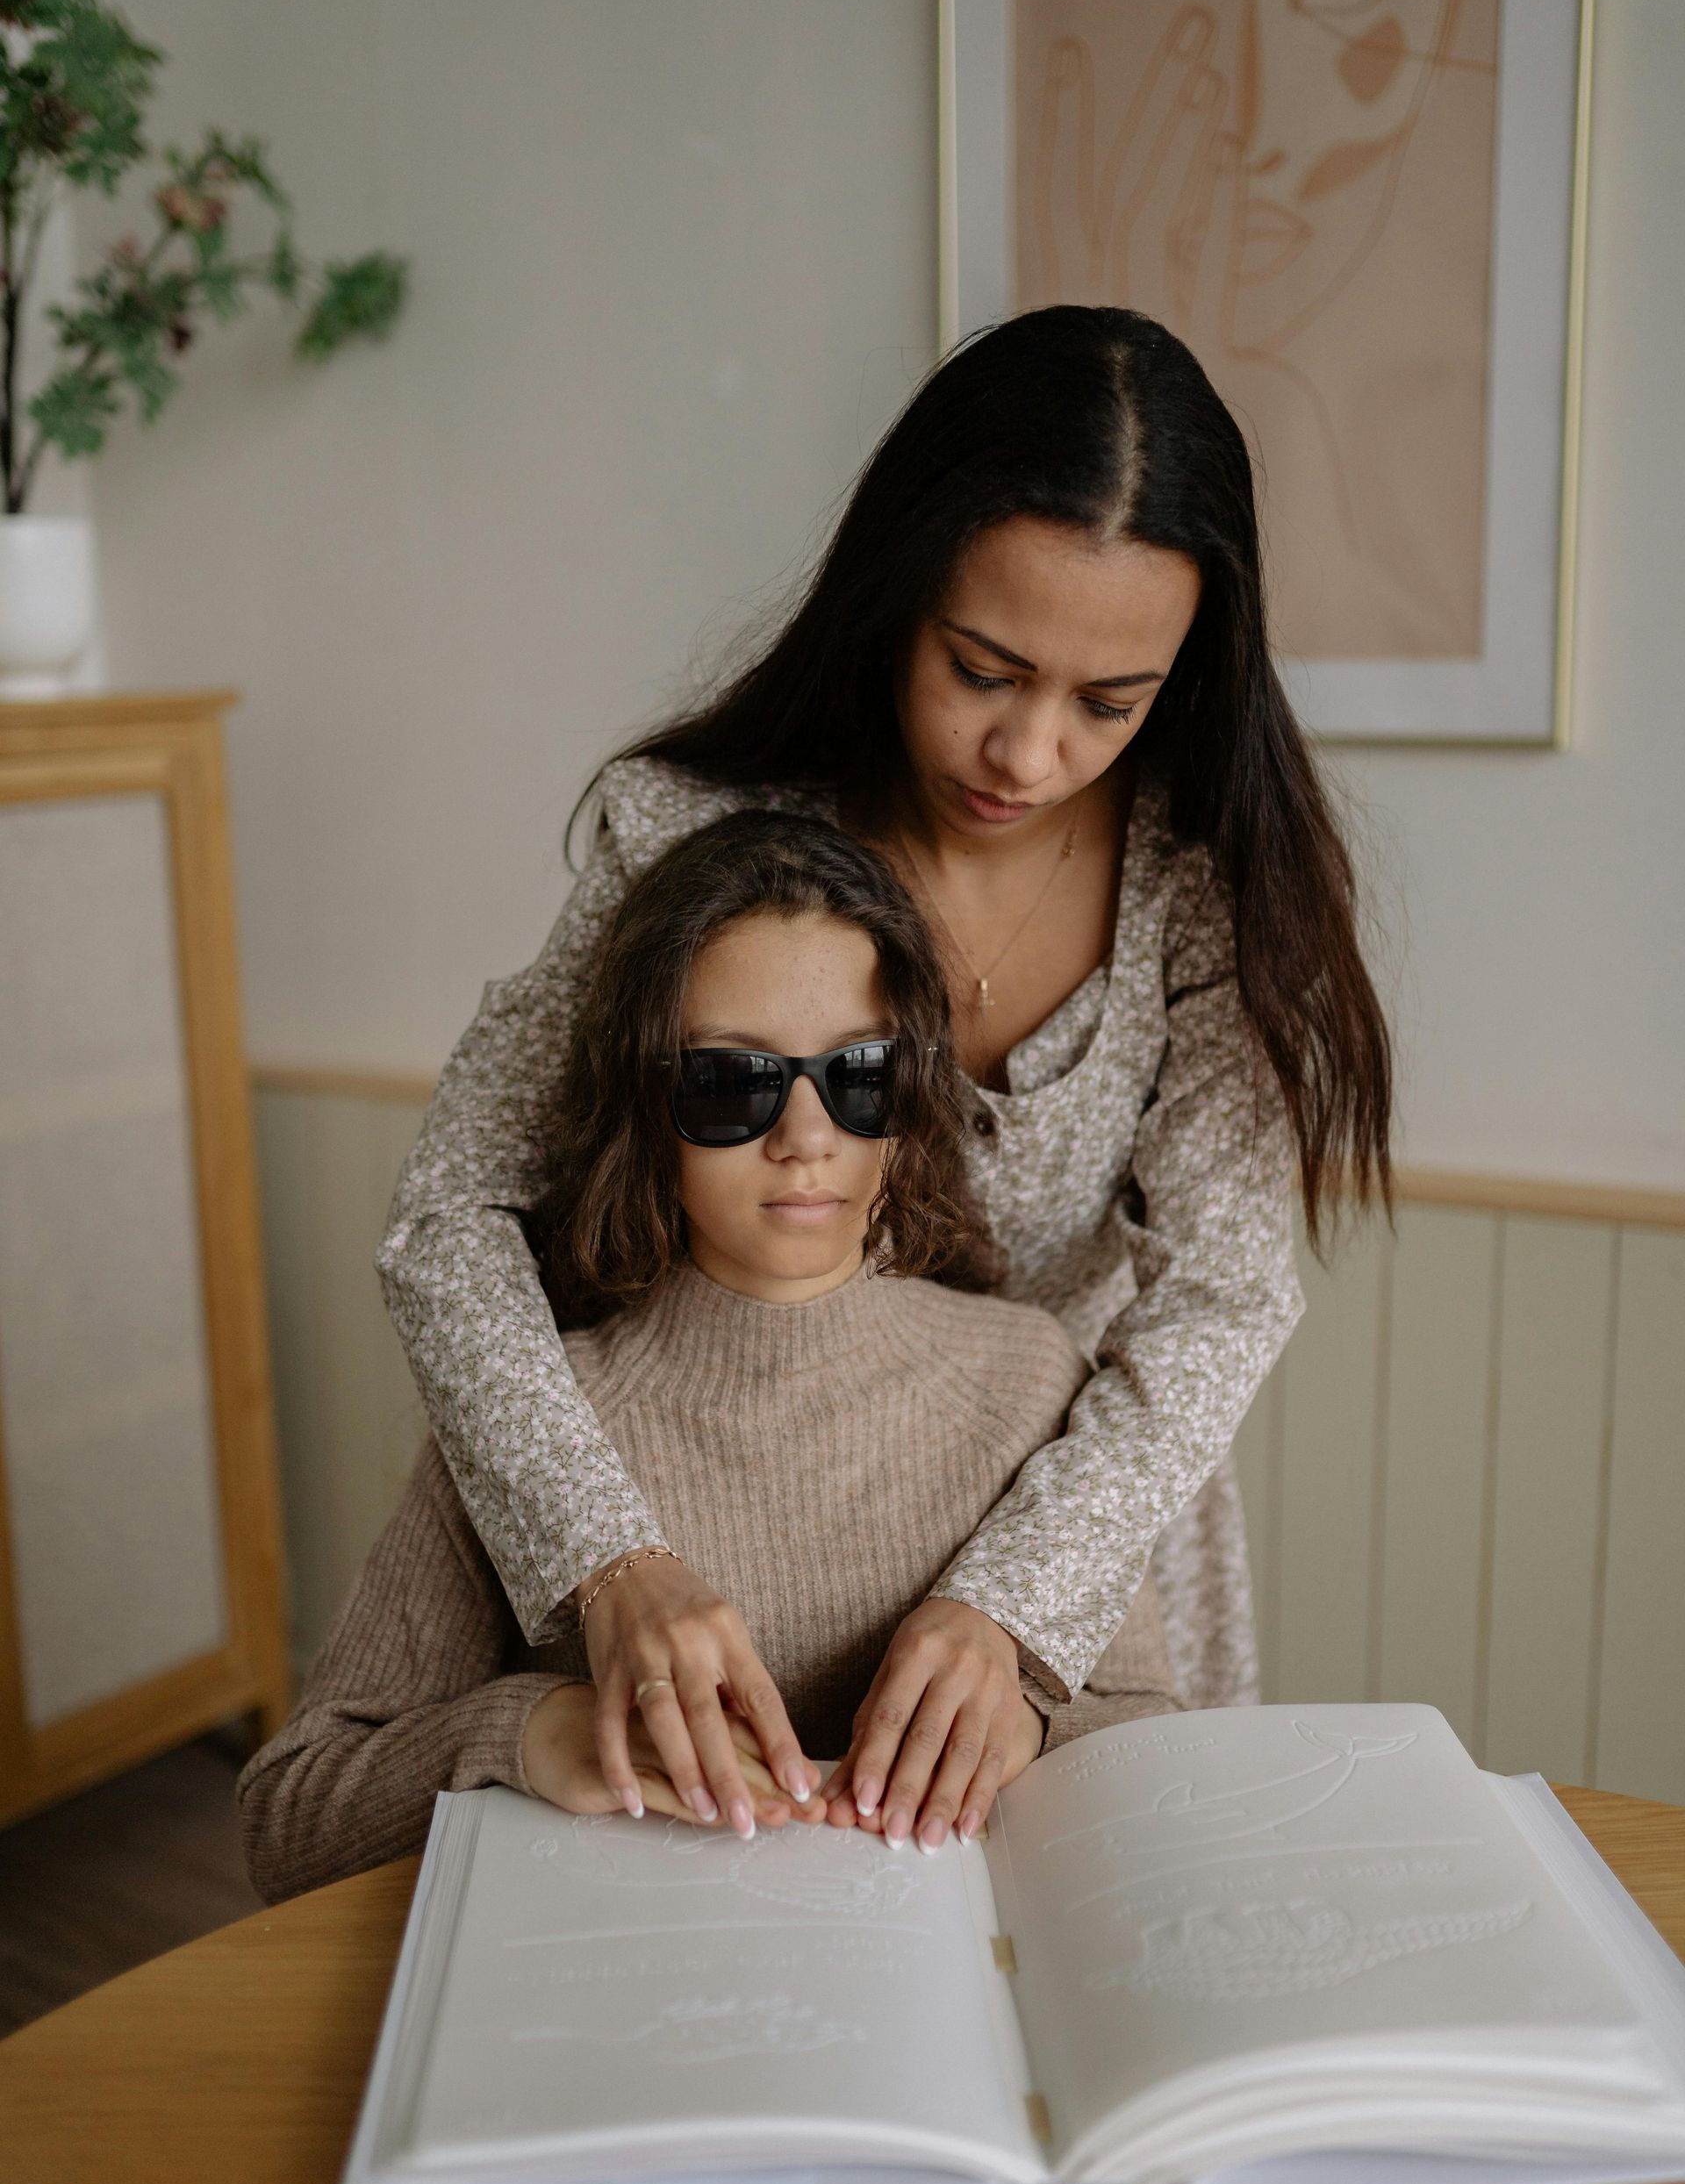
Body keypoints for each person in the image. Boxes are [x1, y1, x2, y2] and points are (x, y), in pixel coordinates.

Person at [376, 304, 1392, 1860]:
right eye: (984, 667)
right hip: (725, 1524)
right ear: (898, 589)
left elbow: (1224, 1294)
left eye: (1109, 704)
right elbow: (453, 1209)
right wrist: (606, 1559)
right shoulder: (692, 844)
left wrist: (1018, 1609)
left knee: (1090, 1939)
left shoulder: (1199, 888)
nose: (1032, 752)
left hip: (1071, 1530)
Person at [239, 814, 1179, 1903]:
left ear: (908, 1093)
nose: (806, 1132)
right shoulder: (536, 1417)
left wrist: (1027, 1717)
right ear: (648, 1105)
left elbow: (1155, 1732)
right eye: (736, 1083)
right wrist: (530, 1732)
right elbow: (289, 1818)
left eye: (858, 1074)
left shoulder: (1032, 1381)